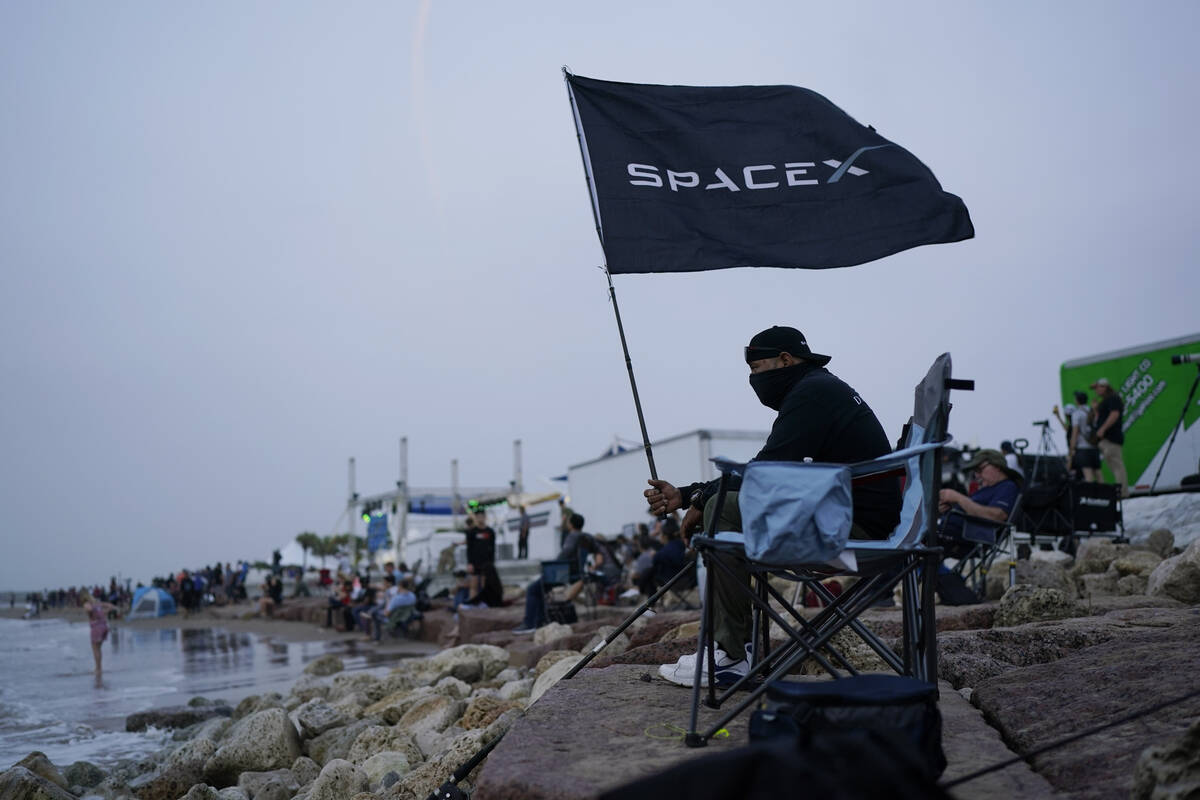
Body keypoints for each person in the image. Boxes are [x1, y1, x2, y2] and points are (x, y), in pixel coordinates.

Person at [644, 326, 902, 687]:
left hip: (854, 532)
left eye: (758, 369)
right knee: (722, 505)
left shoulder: (812, 395)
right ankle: (735, 650)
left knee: (724, 509)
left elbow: (767, 472)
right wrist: (689, 495)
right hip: (854, 522)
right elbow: (774, 472)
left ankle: (733, 657)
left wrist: (702, 498)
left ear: (785, 360)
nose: (754, 380)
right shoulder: (819, 389)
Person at [513, 512, 592, 633]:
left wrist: (550, 565)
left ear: (570, 524)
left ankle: (529, 624)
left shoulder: (572, 536)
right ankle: (539, 622)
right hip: (576, 574)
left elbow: (563, 556)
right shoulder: (586, 537)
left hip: (564, 574)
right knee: (539, 589)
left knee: (532, 590)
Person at [937, 449, 1023, 559]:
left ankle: (938, 574)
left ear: (997, 467)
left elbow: (996, 516)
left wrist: (959, 498)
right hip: (951, 533)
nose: (977, 475)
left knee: (916, 543)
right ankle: (941, 574)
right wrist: (948, 508)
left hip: (967, 538)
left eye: (979, 469)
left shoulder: (1007, 487)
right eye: (975, 472)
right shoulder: (987, 488)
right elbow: (974, 509)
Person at [1091, 378, 1128, 497]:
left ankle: (1122, 493)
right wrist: (1096, 410)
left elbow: (1114, 414)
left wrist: (1103, 429)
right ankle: (1120, 492)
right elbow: (1099, 419)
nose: (1096, 390)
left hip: (1111, 438)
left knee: (1117, 466)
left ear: (1104, 387)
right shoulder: (1106, 401)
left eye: (1097, 387)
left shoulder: (1113, 398)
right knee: (1114, 466)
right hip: (1106, 439)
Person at [1064, 390, 1101, 482]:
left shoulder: (1077, 414)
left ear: (1077, 400)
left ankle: (1091, 495)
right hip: (1094, 445)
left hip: (1083, 448)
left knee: (1088, 475)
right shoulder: (1091, 410)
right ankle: (1106, 495)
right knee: (1098, 474)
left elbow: (1075, 432)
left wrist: (1072, 448)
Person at [81, 590, 118, 675]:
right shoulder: (97, 603)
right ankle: (99, 667)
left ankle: (98, 668)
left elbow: (89, 609)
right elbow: (109, 606)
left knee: (95, 649)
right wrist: (107, 609)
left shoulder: (87, 604)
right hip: (104, 626)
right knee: (99, 649)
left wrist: (89, 610)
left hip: (96, 627)